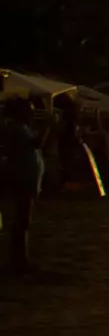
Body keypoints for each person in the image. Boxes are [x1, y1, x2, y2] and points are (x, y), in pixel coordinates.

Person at [3, 97, 44, 274]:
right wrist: (48, 126)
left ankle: (20, 259)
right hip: (22, 178)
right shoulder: (16, 129)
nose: (32, 114)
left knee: (23, 219)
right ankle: (19, 261)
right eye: (30, 110)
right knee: (22, 220)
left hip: (26, 178)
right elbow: (36, 143)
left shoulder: (21, 128)